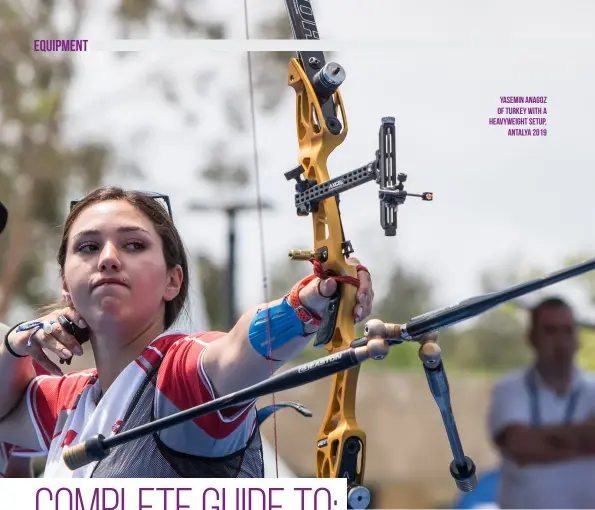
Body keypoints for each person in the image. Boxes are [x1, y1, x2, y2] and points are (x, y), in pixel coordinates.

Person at [0, 186, 378, 478]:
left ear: (173, 281)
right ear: (66, 285)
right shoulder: (71, 400)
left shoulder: (179, 374)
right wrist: (16, 342)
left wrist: (308, 302)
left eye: (134, 244)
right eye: (87, 246)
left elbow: (234, 352)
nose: (109, 258)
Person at [487, 296, 595, 508]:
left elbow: (530, 445)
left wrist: (544, 439)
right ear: (531, 338)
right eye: (550, 330)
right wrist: (584, 438)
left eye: (567, 330)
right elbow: (520, 445)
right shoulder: (508, 389)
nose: (560, 341)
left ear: (577, 338)